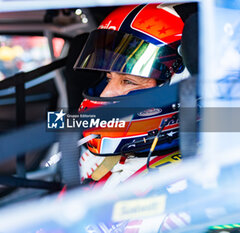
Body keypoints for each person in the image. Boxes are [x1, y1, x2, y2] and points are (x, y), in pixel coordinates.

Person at [73, 3, 194, 189]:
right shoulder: (94, 152)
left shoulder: (199, 174)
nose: (105, 93)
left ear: (182, 82)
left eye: (128, 81)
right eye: (108, 77)